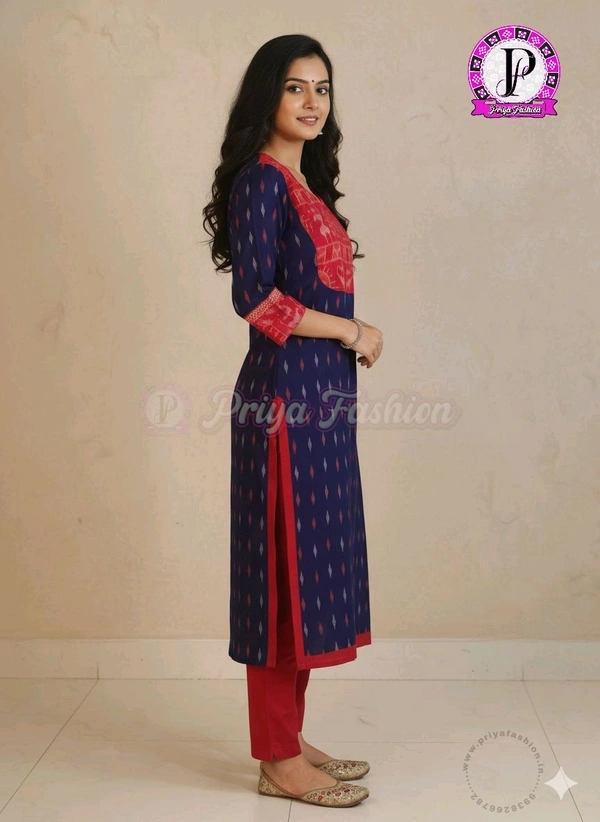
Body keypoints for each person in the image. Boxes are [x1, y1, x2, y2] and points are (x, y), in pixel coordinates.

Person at [203, 33, 383, 808]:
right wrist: (351, 330)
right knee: (281, 576)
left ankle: (290, 736)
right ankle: (276, 758)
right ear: (266, 98)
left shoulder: (303, 184)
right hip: (283, 404)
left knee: (309, 570)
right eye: (294, 87)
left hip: (322, 405)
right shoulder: (260, 181)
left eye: (323, 88)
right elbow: (256, 299)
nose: (312, 102)